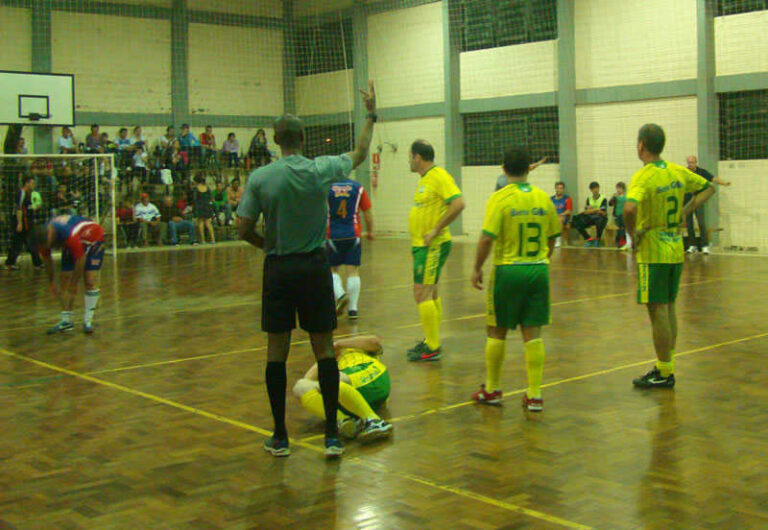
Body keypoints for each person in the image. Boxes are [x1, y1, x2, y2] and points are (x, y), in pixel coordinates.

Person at [236, 80, 377, 458]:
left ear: (276, 140)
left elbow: (242, 229)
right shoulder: (321, 168)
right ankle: (332, 436)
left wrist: (268, 245)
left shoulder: (261, 178)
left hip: (279, 268)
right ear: (302, 138)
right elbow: (361, 152)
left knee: (276, 352)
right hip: (315, 267)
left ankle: (280, 436)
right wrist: (371, 115)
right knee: (324, 349)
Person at [625, 124, 715, 388]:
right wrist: (685, 212)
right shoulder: (677, 171)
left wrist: (632, 234)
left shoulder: (644, 176)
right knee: (669, 306)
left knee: (658, 310)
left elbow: (629, 209)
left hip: (653, 249)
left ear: (641, 145)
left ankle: (664, 372)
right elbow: (709, 188)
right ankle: (667, 365)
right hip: (675, 246)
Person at [471, 147, 561, 412]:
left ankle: (492, 389)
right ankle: (534, 395)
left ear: (503, 168)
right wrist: (544, 257)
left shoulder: (500, 198)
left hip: (508, 271)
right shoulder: (543, 197)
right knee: (533, 332)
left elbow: (486, 238)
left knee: (496, 330)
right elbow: (553, 235)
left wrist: (476, 268)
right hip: (538, 270)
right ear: (528, 168)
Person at [406, 140, 465, 362]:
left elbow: (458, 203)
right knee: (431, 292)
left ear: (418, 157)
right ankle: (432, 339)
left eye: (410, 157)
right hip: (422, 246)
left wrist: (436, 229)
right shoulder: (426, 179)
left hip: (432, 245)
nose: (409, 161)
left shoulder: (439, 176)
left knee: (421, 293)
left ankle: (432, 347)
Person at [293, 335, 393, 442]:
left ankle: (374, 420)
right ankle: (344, 421)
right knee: (300, 386)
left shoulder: (359, 349)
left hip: (371, 376)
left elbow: (374, 342)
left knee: (331, 378)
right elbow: (307, 380)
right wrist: (326, 356)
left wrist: (338, 344)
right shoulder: (334, 360)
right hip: (349, 394)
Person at [29, 215, 106, 334]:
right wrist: (51, 282)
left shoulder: (68, 233)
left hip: (93, 238)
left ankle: (88, 320)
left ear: (50, 236)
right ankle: (66, 321)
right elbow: (47, 261)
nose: (47, 248)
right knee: (64, 279)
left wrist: (74, 283)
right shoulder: (43, 240)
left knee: (90, 280)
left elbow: (81, 259)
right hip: (75, 239)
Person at [327, 177, 374, 320]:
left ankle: (341, 294)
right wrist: (370, 231)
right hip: (352, 234)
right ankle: (353, 309)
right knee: (353, 271)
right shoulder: (357, 187)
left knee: (332, 270)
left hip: (333, 235)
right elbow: (367, 213)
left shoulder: (327, 187)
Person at [684, 155, 731, 254]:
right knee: (689, 224)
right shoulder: (684, 172)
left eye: (692, 162)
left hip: (698, 201)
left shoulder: (702, 172)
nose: (690, 164)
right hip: (687, 201)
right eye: (689, 162)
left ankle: (704, 245)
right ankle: (692, 245)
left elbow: (713, 178)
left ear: (696, 162)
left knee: (701, 223)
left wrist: (724, 183)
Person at [5, 176, 43, 270]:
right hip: (22, 221)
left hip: (26, 221)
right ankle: (10, 263)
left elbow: (26, 208)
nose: (34, 185)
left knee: (28, 242)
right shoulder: (21, 193)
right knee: (19, 242)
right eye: (32, 183)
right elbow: (18, 208)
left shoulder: (28, 194)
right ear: (27, 183)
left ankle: (37, 263)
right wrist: (19, 223)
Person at [572, 181, 608, 247]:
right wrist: (597, 209)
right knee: (577, 222)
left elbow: (603, 212)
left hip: (601, 218)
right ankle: (589, 239)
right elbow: (586, 212)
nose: (595, 190)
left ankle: (597, 240)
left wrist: (592, 210)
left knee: (600, 221)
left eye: (596, 188)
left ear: (598, 188)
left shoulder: (603, 199)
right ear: (591, 190)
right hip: (591, 217)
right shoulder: (589, 199)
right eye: (593, 188)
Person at [609, 182, 632, 250]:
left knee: (624, 227)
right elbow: (610, 204)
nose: (618, 190)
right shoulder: (615, 197)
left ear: (623, 189)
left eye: (620, 188)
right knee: (619, 227)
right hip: (617, 214)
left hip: (625, 214)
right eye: (617, 188)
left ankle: (624, 240)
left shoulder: (627, 196)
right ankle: (620, 241)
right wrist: (613, 197)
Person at [192, 174, 215, 243]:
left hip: (200, 206)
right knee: (208, 222)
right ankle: (213, 239)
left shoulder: (196, 189)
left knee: (201, 222)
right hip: (207, 205)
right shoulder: (207, 188)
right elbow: (211, 198)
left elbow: (194, 199)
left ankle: (203, 240)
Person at [550, 181, 572, 248]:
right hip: (553, 217)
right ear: (555, 189)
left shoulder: (567, 199)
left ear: (563, 189)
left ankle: (558, 240)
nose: (559, 190)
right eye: (558, 188)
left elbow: (568, 211)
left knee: (559, 219)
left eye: (561, 188)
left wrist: (561, 214)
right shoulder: (551, 199)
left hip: (563, 218)